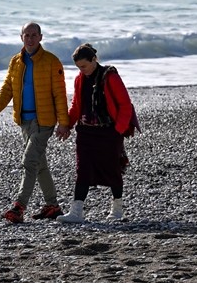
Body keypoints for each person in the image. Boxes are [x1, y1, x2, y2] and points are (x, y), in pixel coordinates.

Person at [0, 22, 71, 223]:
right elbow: (7, 88)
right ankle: (53, 206)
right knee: (40, 165)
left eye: (34, 35)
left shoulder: (51, 61)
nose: (30, 39)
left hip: (44, 121)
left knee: (29, 161)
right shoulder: (16, 62)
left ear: (41, 37)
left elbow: (60, 94)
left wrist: (64, 123)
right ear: (21, 37)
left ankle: (19, 207)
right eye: (27, 35)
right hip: (24, 121)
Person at [59, 42, 139, 223]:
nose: (82, 70)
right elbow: (76, 106)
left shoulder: (110, 77)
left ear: (94, 59)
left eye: (84, 66)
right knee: (82, 170)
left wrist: (117, 131)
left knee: (112, 170)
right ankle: (76, 211)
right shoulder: (80, 79)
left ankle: (117, 209)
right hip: (85, 132)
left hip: (109, 132)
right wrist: (66, 125)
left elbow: (125, 105)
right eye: (79, 67)